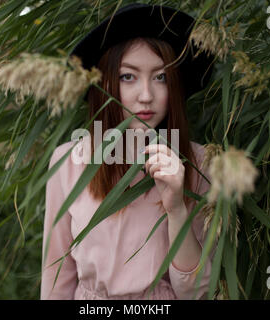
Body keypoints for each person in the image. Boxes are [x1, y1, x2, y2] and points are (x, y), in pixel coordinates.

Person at [41, 3, 215, 300]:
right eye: (128, 77)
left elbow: (197, 293)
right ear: (104, 83)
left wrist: (176, 209)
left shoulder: (198, 163)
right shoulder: (68, 161)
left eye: (160, 77)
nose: (146, 96)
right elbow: (56, 275)